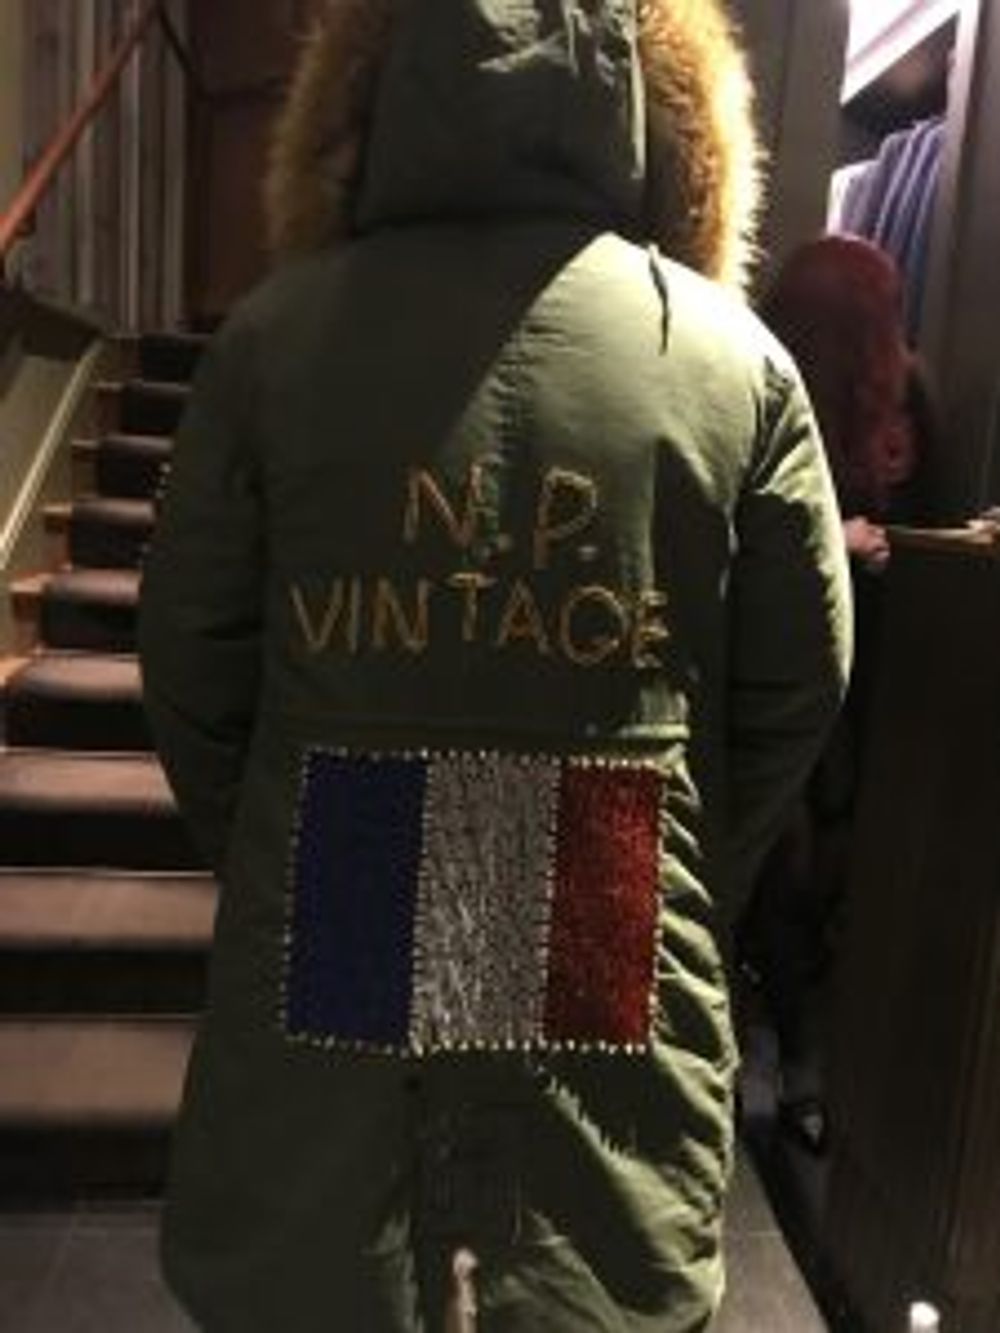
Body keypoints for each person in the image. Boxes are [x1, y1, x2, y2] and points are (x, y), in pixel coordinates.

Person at [138, 2, 851, 1329]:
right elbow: (795, 686)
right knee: (578, 1275)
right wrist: (678, 862)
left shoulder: (272, 344)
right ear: (665, 114)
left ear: (363, 93)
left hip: (345, 863)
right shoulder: (735, 364)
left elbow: (192, 662)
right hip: (610, 875)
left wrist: (285, 838)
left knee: (339, 1270)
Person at [745, 235, 935, 1152]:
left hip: (815, 656)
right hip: (850, 662)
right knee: (800, 860)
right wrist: (847, 537)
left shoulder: (771, 377)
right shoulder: (794, 389)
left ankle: (800, 1063)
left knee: (799, 862)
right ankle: (803, 1064)